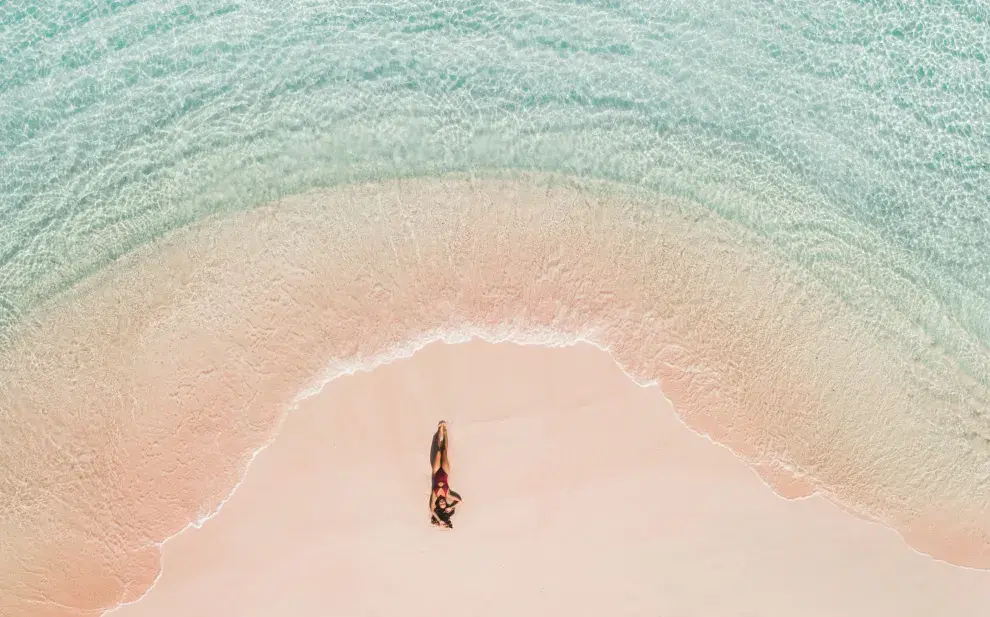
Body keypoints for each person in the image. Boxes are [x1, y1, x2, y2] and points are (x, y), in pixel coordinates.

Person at [430, 420, 462, 527]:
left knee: (438, 451)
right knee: (444, 451)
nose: (443, 503)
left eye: (441, 504)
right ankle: (445, 431)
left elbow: (431, 509)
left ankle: (440, 429)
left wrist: (439, 520)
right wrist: (451, 507)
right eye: (444, 504)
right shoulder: (447, 494)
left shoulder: (434, 495)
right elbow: (460, 501)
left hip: (436, 472)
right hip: (445, 471)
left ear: (439, 504)